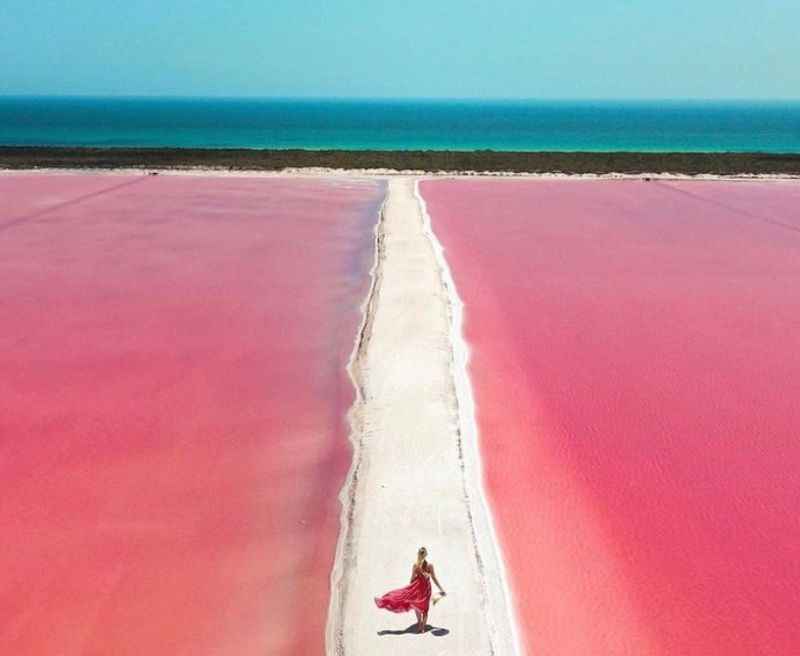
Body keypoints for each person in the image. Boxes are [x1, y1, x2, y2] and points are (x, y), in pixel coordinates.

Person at [374, 546, 446, 633]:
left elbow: (411, 579)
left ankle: (420, 624)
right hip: (426, 590)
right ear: (426, 554)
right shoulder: (430, 566)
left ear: (418, 555)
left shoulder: (415, 566)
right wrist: (441, 588)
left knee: (416, 605)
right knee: (425, 609)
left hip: (417, 589)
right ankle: (422, 628)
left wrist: (409, 589)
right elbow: (434, 578)